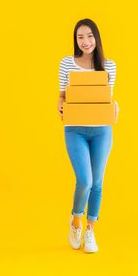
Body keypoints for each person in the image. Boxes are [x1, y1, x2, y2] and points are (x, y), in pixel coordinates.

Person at [57, 18, 119, 253]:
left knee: (98, 183)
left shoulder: (109, 66)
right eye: (80, 37)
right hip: (75, 130)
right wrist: (60, 105)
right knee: (85, 180)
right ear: (76, 40)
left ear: (97, 37)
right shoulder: (66, 63)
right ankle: (75, 221)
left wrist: (116, 106)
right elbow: (61, 96)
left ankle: (91, 231)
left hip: (102, 130)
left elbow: (106, 99)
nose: (85, 41)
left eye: (90, 36)